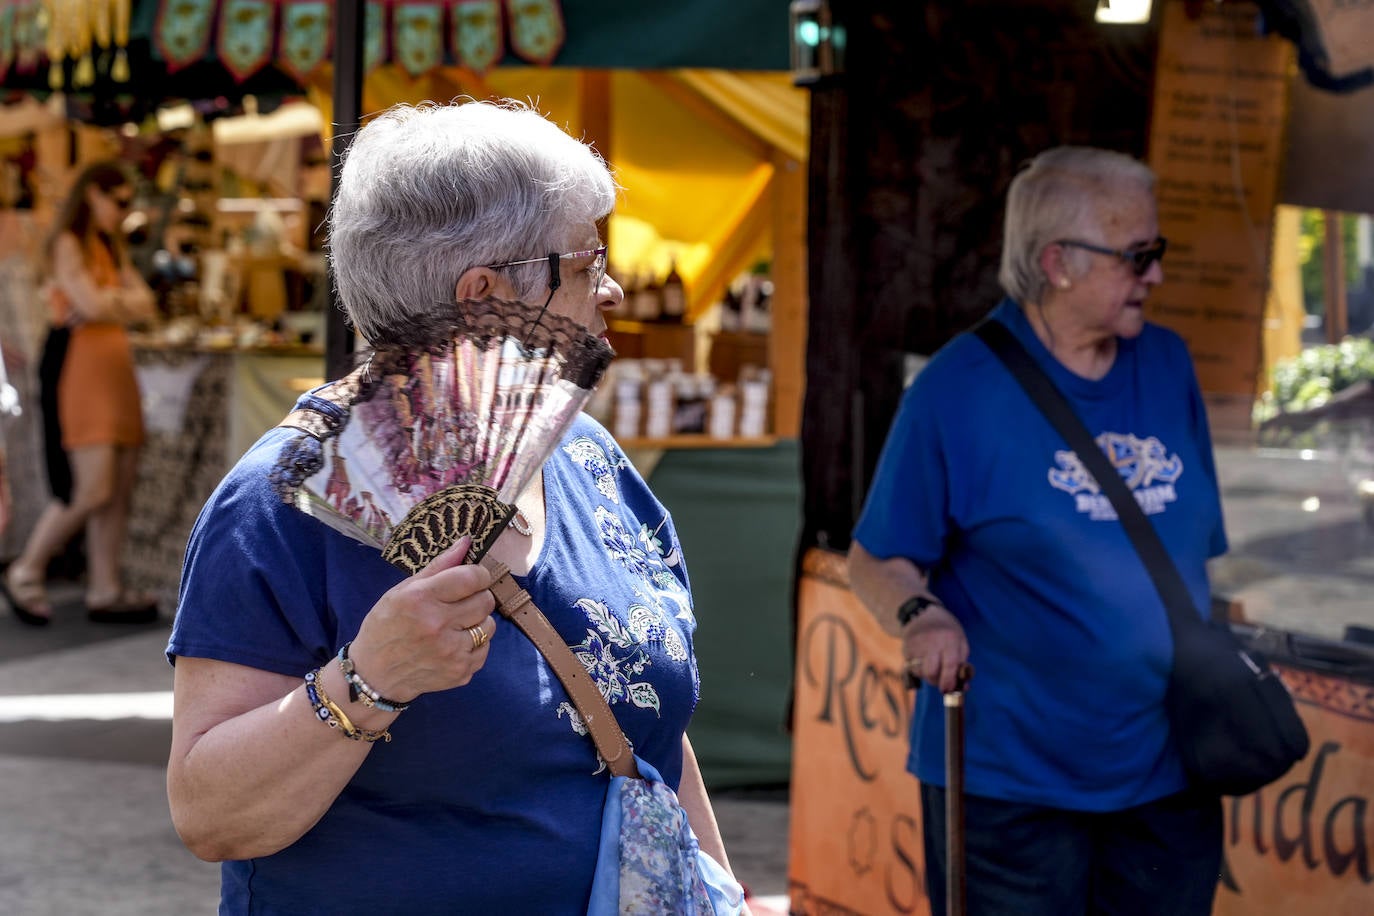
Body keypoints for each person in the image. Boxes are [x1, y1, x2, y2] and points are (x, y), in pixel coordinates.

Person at [166, 99, 750, 914]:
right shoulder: (281, 507)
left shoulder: (589, 459)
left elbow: (648, 736)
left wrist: (723, 894)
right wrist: (369, 680)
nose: (613, 289)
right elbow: (209, 815)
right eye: (586, 263)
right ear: (481, 297)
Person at [847, 146, 1226, 915]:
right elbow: (877, 557)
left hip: (1167, 777)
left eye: (1159, 252)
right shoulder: (955, 391)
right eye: (1138, 256)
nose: (1155, 275)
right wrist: (923, 617)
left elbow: (1198, 558)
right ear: (1057, 262)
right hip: (1009, 786)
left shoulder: (1169, 363)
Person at [1, 161, 157, 626]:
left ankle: (104, 587)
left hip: (113, 364)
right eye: (120, 201)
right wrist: (113, 304)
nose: (124, 211)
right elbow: (89, 302)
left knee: (119, 485)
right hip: (81, 366)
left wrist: (107, 306)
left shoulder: (108, 244)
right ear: (94, 195)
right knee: (93, 486)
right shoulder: (68, 242)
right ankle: (27, 568)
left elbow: (142, 301)